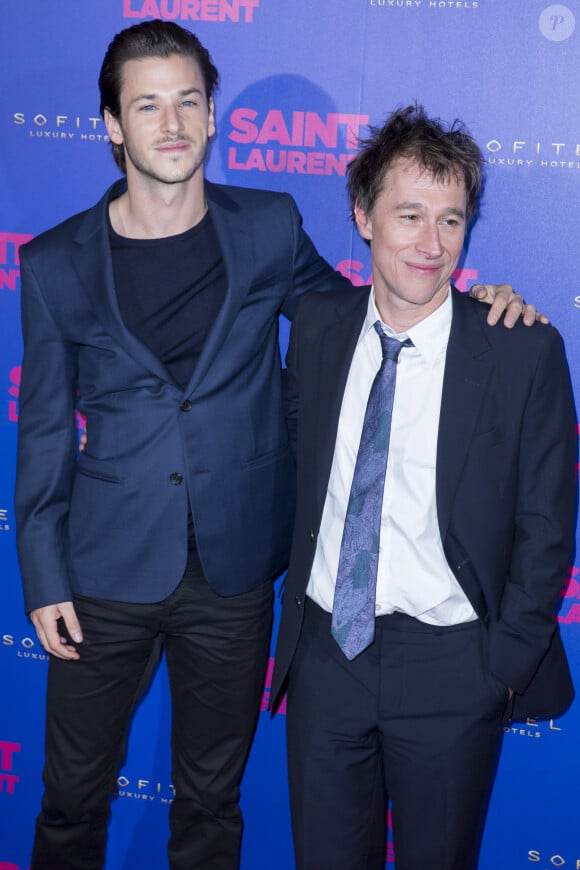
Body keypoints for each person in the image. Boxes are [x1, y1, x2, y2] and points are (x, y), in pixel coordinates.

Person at [14, 18, 538, 870]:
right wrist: (43, 577)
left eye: (188, 100)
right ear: (113, 125)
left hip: (234, 578)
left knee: (211, 804)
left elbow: (364, 312)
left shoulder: (265, 227)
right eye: (148, 105)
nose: (172, 122)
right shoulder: (53, 263)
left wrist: (485, 306)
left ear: (213, 113)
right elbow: (40, 427)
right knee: (72, 800)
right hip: (102, 572)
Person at [270, 105, 576, 870]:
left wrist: (500, 668)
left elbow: (547, 526)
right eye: (409, 215)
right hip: (327, 661)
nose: (432, 244)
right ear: (362, 216)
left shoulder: (522, 350)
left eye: (451, 219)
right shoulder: (315, 325)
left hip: (454, 668)